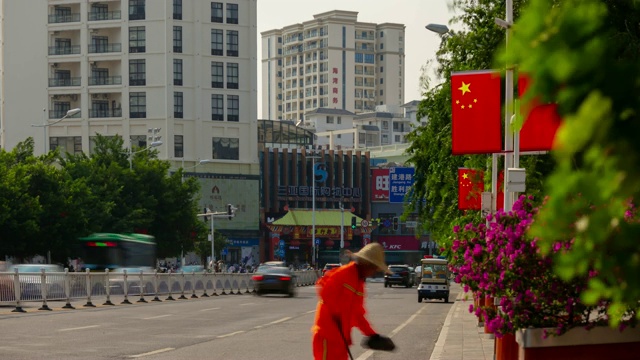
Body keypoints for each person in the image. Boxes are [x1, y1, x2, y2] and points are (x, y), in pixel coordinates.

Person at [311, 242, 395, 360]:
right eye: (374, 267)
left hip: (342, 340)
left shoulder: (359, 284)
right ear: (366, 264)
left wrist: (372, 334)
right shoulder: (343, 274)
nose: (374, 272)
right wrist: (337, 310)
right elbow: (323, 290)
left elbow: (358, 314)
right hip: (327, 337)